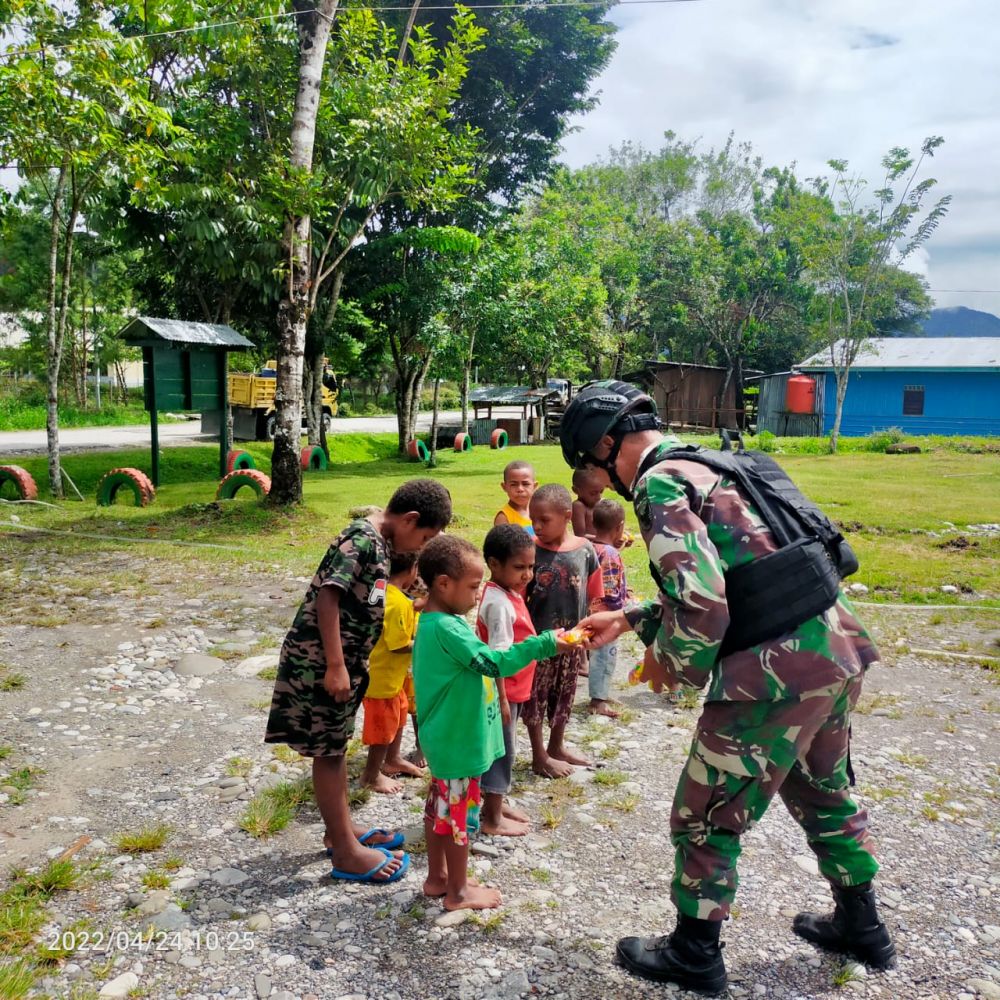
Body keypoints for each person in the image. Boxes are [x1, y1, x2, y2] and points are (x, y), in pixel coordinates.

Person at [561, 380, 895, 995]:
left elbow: (706, 605)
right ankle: (862, 926)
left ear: (608, 446)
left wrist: (668, 663)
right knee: (824, 789)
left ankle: (694, 952)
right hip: (832, 647)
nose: (598, 482)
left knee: (705, 814)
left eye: (590, 466)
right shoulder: (717, 465)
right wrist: (632, 618)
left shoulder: (661, 486)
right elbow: (750, 577)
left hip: (773, 674)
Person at [265, 479, 451, 886]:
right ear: (410, 519)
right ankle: (347, 852)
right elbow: (328, 596)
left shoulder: (381, 544)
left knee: (335, 747)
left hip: (345, 662)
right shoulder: (363, 540)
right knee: (330, 753)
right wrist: (335, 665)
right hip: (320, 662)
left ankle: (339, 831)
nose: (419, 547)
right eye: (424, 537)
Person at [413, 535, 571, 910]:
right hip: (458, 744)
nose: (475, 595)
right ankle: (459, 892)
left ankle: (438, 878)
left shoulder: (440, 621)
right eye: (470, 587)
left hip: (447, 741)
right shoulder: (449, 628)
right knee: (459, 821)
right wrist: (545, 644)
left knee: (439, 811)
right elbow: (493, 662)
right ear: (443, 583)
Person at [523, 484, 604, 778]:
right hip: (539, 643)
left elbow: (593, 593)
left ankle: (556, 745)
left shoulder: (584, 550)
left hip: (571, 642)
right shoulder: (529, 550)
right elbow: (519, 596)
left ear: (567, 516)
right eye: (533, 519)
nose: (536, 526)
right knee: (535, 699)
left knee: (564, 695)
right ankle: (538, 754)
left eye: (544, 520)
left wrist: (589, 632)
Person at [477, 524, 538, 836]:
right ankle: (491, 819)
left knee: (502, 748)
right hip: (505, 691)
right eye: (519, 567)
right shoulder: (499, 604)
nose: (527, 574)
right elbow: (497, 657)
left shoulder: (507, 592)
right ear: (494, 564)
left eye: (530, 566)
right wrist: (501, 698)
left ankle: (495, 803)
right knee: (502, 752)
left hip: (515, 688)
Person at [360, 552, 424, 794]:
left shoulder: (385, 591)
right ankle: (371, 775)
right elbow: (398, 645)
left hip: (391, 678)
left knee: (398, 715)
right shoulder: (397, 602)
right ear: (413, 569)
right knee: (382, 729)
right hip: (382, 680)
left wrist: (416, 607)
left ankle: (393, 758)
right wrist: (424, 644)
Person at [587, 498, 629, 718]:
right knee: (605, 656)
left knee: (597, 655)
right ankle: (598, 701)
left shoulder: (591, 547)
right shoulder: (611, 554)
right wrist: (623, 610)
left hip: (590, 612)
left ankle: (599, 693)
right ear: (620, 526)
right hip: (606, 615)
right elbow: (611, 590)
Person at [494, 460, 536, 534]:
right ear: (504, 487)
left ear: (534, 486)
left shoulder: (539, 511)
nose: (520, 489)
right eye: (514, 484)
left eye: (525, 484)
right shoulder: (504, 518)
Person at [570, 466, 605, 539]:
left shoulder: (602, 503)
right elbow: (580, 535)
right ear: (576, 490)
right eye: (593, 493)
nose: (598, 497)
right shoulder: (579, 506)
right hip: (588, 548)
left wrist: (617, 537)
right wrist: (604, 540)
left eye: (601, 491)